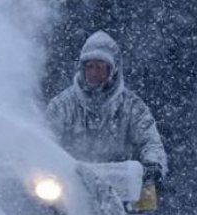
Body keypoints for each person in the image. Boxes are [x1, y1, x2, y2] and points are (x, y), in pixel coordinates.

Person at [46, 30, 167, 185]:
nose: (94, 73)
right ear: (81, 69)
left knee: (147, 200)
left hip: (125, 187)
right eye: (89, 67)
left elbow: (150, 141)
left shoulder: (132, 106)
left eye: (100, 67)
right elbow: (47, 138)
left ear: (113, 70)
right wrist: (47, 166)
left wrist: (153, 164)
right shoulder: (62, 105)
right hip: (70, 187)